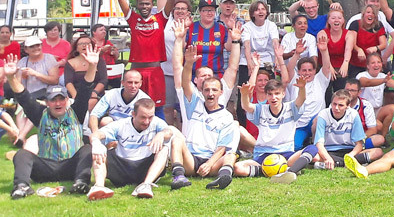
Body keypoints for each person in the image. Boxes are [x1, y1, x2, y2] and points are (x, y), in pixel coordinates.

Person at [7, 50, 99, 199]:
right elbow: (23, 96)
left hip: (71, 166)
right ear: (47, 102)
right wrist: (11, 77)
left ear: (67, 100)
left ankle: (81, 182)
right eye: (53, 100)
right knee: (22, 154)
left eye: (61, 99)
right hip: (45, 167)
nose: (58, 103)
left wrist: (92, 66)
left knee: (87, 148)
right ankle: (21, 186)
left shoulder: (77, 112)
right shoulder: (39, 113)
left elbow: (85, 90)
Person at [169, 20, 240, 190]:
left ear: (220, 91)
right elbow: (180, 72)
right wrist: (187, 58)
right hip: (191, 158)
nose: (210, 91)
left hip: (211, 159)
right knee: (176, 138)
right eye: (203, 78)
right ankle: (178, 176)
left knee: (231, 154)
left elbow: (232, 69)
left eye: (213, 87)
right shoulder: (192, 101)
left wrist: (236, 41)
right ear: (196, 81)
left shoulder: (224, 111)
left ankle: (223, 178)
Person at [234, 64, 318, 185]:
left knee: (312, 148)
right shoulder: (261, 109)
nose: (274, 97)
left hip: (286, 154)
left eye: (277, 94)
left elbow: (301, 99)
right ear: (267, 95)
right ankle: (272, 170)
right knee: (238, 168)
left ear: (283, 94)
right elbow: (246, 106)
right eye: (270, 94)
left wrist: (302, 88)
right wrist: (245, 94)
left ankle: (290, 172)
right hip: (264, 154)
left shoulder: (290, 108)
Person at [116, 0, 175, 116]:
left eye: (147, 3)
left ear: (152, 4)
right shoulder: (132, 18)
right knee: (135, 110)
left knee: (157, 110)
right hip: (136, 71)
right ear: (137, 5)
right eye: (141, 3)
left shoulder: (160, 19)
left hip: (155, 71)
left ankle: (160, 139)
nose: (144, 6)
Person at [86, 97, 177, 200]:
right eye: (143, 117)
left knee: (164, 149)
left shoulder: (157, 123)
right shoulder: (121, 125)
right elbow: (95, 135)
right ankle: (99, 187)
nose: (147, 122)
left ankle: (146, 185)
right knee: (99, 149)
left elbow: (169, 132)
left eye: (150, 117)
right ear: (133, 114)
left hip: (145, 168)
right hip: (121, 167)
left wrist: (161, 134)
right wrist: (96, 144)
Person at [313, 90, 374, 178]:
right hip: (329, 151)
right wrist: (327, 158)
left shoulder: (353, 114)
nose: (336, 108)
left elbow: (359, 144)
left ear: (348, 106)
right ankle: (344, 163)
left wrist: (350, 155)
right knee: (314, 156)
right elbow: (319, 143)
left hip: (349, 150)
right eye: (334, 104)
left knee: (377, 152)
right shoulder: (323, 114)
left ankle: (335, 164)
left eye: (340, 105)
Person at [88, 69, 152, 136]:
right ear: (122, 83)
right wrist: (96, 134)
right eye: (129, 82)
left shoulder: (145, 100)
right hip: (113, 128)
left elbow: (148, 123)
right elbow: (94, 115)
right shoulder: (112, 94)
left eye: (136, 83)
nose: (133, 86)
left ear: (140, 83)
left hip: (133, 131)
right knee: (105, 121)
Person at [240, 0, 281, 83]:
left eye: (263, 9)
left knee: (269, 88)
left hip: (267, 61)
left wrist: (277, 59)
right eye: (257, 10)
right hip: (248, 60)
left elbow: (275, 42)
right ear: (252, 13)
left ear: (266, 12)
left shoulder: (271, 25)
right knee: (245, 88)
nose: (261, 12)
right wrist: (250, 64)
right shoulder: (246, 27)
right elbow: (247, 45)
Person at [317, 8, 355, 92]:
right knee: (326, 92)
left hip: (341, 65)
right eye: (333, 18)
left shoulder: (349, 34)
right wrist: (328, 66)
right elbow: (323, 51)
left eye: (339, 18)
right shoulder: (322, 33)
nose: (336, 20)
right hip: (325, 64)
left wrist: (345, 63)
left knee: (342, 88)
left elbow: (348, 49)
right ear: (328, 21)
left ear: (343, 20)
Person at [63, 35, 107, 103]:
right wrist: (76, 96)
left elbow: (103, 80)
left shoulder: (99, 61)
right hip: (76, 93)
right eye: (81, 44)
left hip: (95, 93)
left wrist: (95, 92)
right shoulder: (70, 63)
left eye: (87, 43)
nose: (84, 45)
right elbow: (68, 82)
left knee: (92, 102)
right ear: (76, 48)